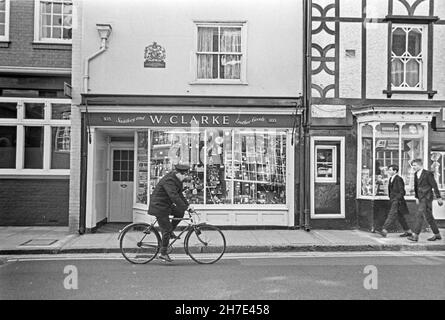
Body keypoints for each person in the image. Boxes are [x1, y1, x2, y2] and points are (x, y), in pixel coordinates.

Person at [148, 164, 194, 262]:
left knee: (180, 212)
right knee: (166, 229)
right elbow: (173, 196)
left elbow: (179, 194)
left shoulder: (176, 180)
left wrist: (187, 206)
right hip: (159, 206)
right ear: (178, 173)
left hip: (165, 205)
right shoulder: (169, 181)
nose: (185, 177)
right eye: (184, 175)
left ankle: (169, 233)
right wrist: (185, 207)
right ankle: (163, 253)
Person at [408, 158, 444, 242]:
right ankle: (437, 234)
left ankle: (415, 235)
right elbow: (416, 187)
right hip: (420, 198)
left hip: (427, 198)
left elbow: (434, 185)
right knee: (429, 217)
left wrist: (438, 197)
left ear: (420, 165)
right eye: (412, 165)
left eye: (415, 165)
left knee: (419, 215)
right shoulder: (416, 173)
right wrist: (416, 197)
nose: (413, 167)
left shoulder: (428, 174)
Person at [376, 165, 413, 238]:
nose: (389, 171)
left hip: (397, 201)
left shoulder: (399, 179)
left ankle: (384, 230)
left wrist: (396, 199)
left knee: (391, 214)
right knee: (400, 217)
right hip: (393, 200)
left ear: (395, 171)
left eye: (390, 170)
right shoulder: (390, 179)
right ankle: (408, 231)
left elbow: (402, 192)